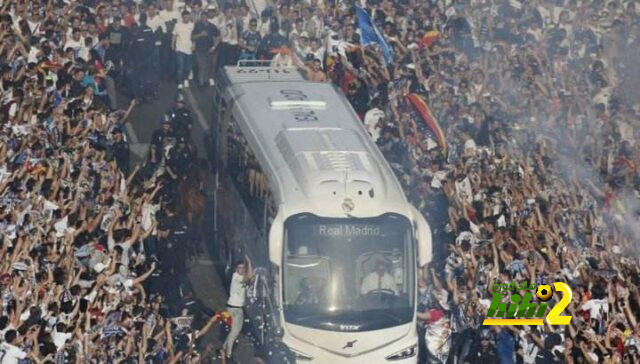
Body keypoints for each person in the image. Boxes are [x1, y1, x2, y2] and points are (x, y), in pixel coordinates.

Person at [221, 257, 254, 362]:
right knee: (235, 332)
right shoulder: (237, 277)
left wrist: (249, 265)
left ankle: (223, 349)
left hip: (234, 307)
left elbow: (251, 278)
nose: (242, 270)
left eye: (243, 268)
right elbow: (249, 278)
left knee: (234, 331)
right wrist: (249, 263)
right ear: (236, 269)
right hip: (235, 308)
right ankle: (228, 354)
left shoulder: (240, 276)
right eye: (240, 268)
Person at [173, 11, 194, 88]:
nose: (187, 19)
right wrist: (172, 44)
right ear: (182, 17)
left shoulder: (192, 25)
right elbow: (174, 35)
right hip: (180, 48)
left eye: (188, 17)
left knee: (187, 67)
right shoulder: (177, 25)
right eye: (185, 17)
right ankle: (179, 82)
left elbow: (193, 36)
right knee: (180, 66)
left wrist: (194, 44)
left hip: (189, 49)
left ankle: (185, 79)